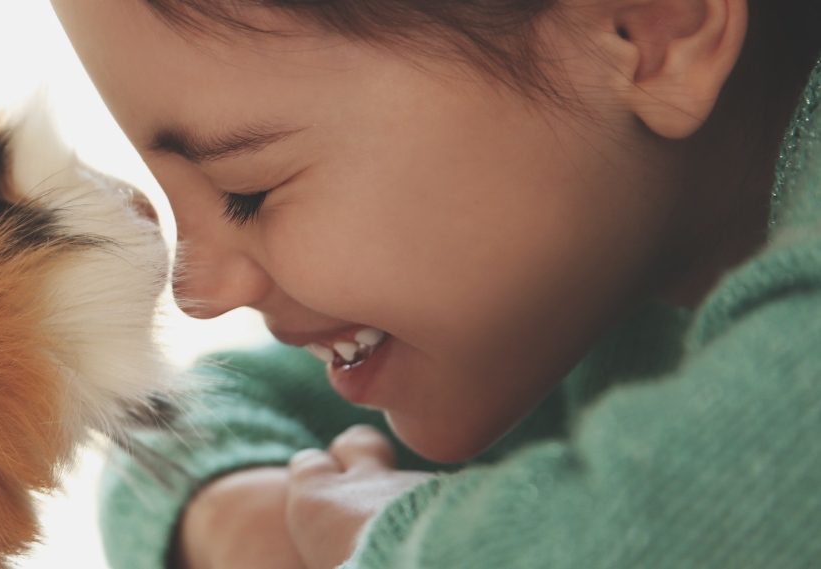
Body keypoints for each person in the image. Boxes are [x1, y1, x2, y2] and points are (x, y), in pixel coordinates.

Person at [50, 0, 821, 567]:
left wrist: (379, 542)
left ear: (649, 29)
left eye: (247, 190)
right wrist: (238, 514)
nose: (197, 293)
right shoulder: (564, 299)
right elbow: (183, 431)